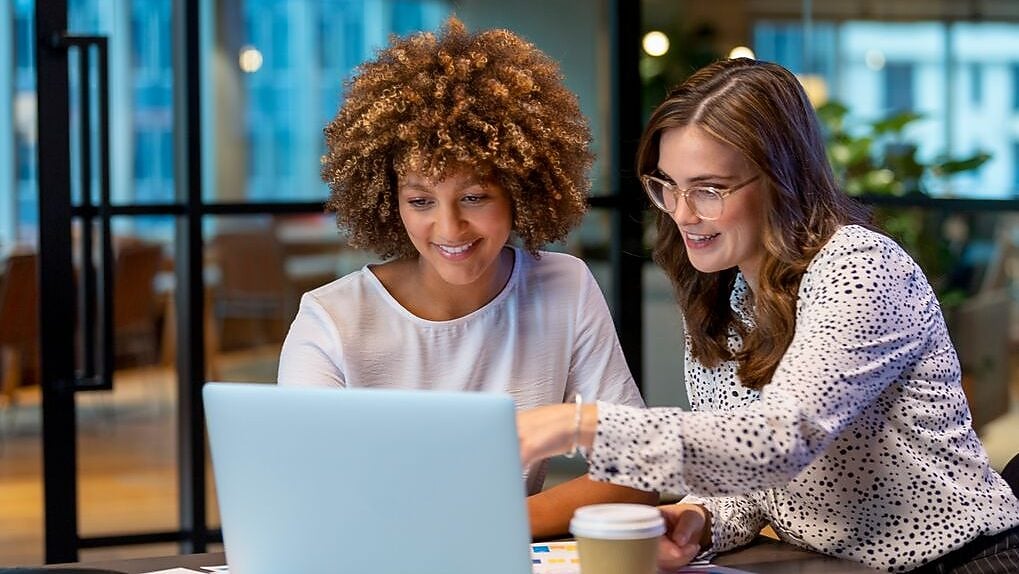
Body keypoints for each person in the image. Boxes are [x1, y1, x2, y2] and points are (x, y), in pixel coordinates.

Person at [516, 58, 1019, 572]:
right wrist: (698, 519)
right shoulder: (727, 296)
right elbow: (751, 486)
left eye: (709, 190)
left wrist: (580, 424)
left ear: (783, 179)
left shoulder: (862, 268)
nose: (683, 213)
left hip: (965, 563)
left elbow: (779, 440)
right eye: (668, 185)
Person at [277, 17, 656, 538]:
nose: (449, 228)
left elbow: (637, 472)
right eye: (420, 201)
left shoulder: (563, 287)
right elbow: (302, 493)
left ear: (519, 191)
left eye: (475, 197)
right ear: (390, 201)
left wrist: (484, 525)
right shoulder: (332, 318)